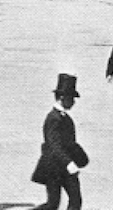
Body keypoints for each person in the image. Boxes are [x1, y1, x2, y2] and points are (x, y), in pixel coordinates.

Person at [30, 73, 87, 210]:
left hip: (65, 166)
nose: (73, 101)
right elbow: (54, 145)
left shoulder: (64, 117)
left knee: (75, 199)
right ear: (62, 98)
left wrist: (79, 157)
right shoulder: (53, 118)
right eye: (71, 98)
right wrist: (69, 163)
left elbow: (69, 142)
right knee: (52, 204)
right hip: (53, 167)